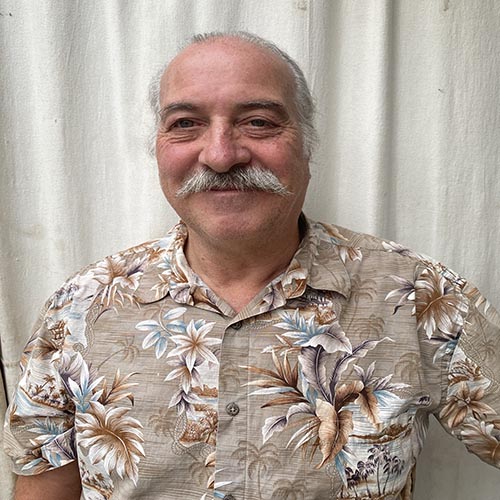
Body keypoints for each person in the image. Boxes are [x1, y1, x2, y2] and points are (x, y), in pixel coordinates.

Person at [4, 31, 500, 500]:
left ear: (307, 144)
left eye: (258, 122)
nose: (221, 155)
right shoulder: (80, 308)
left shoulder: (419, 297)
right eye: (185, 123)